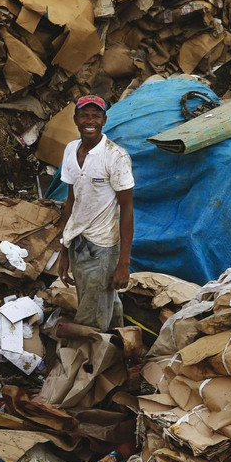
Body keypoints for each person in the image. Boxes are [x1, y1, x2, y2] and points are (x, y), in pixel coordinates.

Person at [57, 94, 135, 332]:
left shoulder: (116, 156)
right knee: (105, 305)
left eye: (96, 116)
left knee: (91, 319)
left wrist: (123, 263)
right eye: (84, 115)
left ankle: (90, 364)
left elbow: (127, 209)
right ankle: (120, 349)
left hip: (102, 249)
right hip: (77, 243)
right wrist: (64, 250)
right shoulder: (71, 150)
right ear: (76, 119)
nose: (90, 121)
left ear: (104, 120)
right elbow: (71, 201)